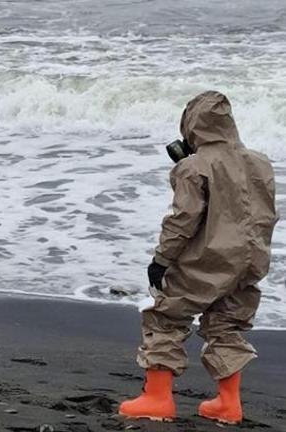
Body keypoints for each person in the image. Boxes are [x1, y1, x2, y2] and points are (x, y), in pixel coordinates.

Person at [118, 91, 278, 424]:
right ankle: (228, 403)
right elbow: (265, 215)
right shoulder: (260, 162)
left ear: (193, 126)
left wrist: (161, 259)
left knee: (166, 317)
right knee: (227, 325)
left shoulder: (193, 166)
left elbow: (183, 219)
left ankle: (158, 399)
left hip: (208, 257)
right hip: (251, 258)